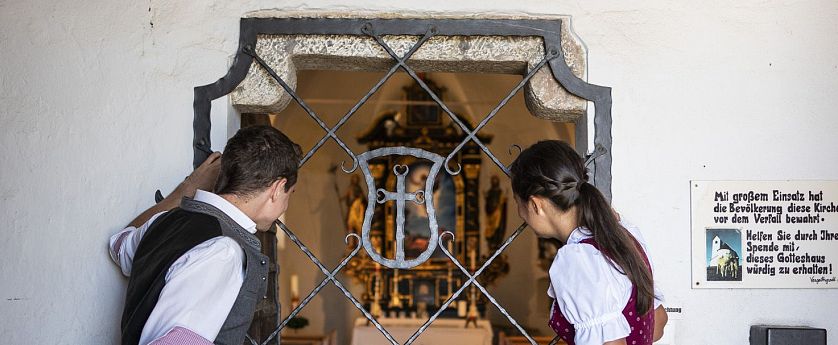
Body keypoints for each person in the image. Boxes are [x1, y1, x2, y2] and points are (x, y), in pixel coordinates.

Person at [108, 125, 301, 345]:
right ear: (278, 188)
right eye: (290, 194)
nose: (286, 205)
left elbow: (120, 244)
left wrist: (186, 190)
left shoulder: (164, 220)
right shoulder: (223, 251)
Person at [509, 140, 667, 345]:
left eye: (517, 203)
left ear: (535, 204)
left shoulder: (577, 261)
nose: (519, 213)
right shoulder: (623, 235)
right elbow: (658, 323)